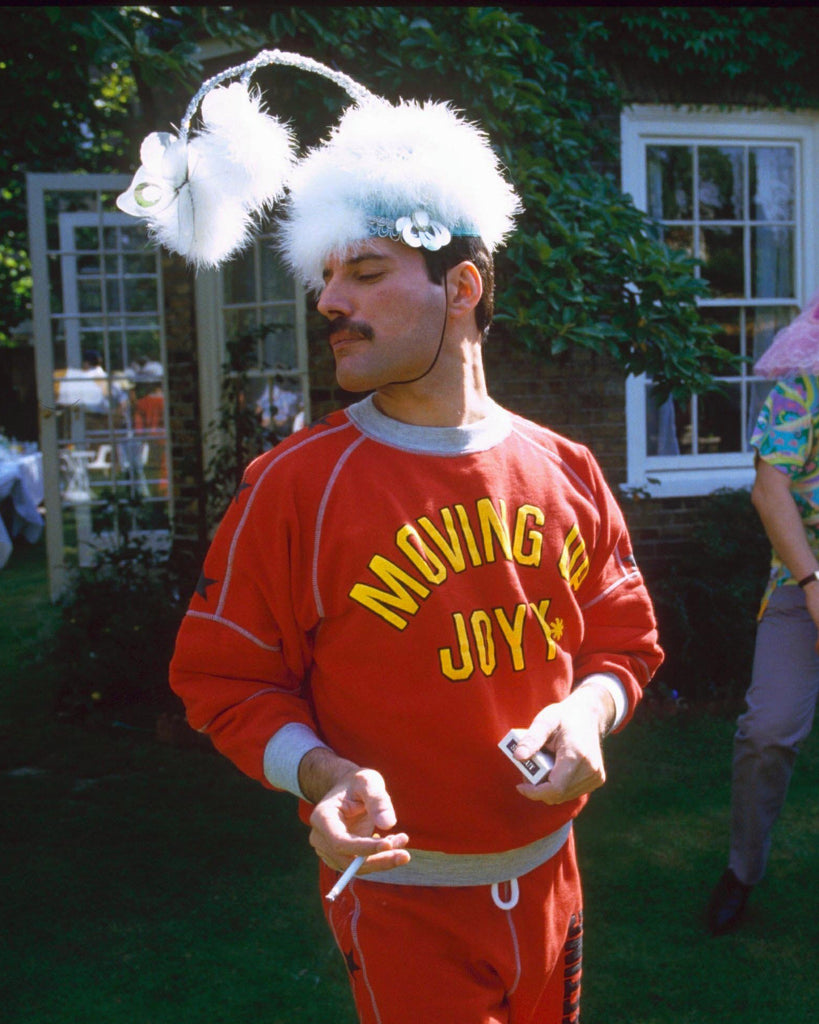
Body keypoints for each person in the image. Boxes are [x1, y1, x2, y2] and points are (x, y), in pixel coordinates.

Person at [121, 51, 663, 1023]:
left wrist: (586, 716)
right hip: (404, 903)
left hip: (553, 886)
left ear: (462, 286)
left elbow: (621, 637)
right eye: (329, 278)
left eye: (366, 273)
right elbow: (224, 680)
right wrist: (321, 772)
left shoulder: (567, 469)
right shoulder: (295, 488)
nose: (330, 302)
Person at [708, 364, 819, 934]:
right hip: (802, 588)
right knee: (769, 729)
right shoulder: (802, 388)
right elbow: (769, 487)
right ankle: (742, 870)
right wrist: (813, 583)